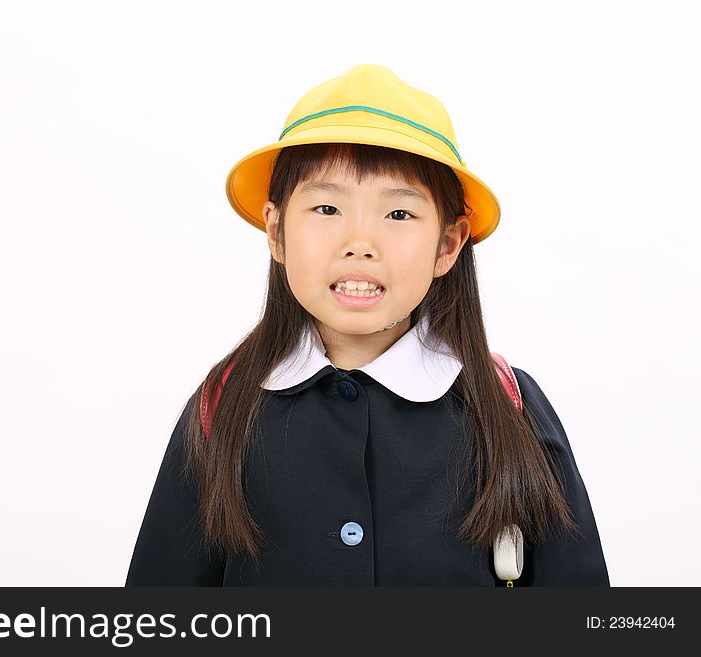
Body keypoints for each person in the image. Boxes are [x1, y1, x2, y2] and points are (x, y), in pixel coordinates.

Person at [124, 64, 610, 586]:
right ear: (276, 230)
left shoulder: (508, 408)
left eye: (398, 215)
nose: (359, 242)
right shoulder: (223, 407)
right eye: (327, 207)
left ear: (448, 244)